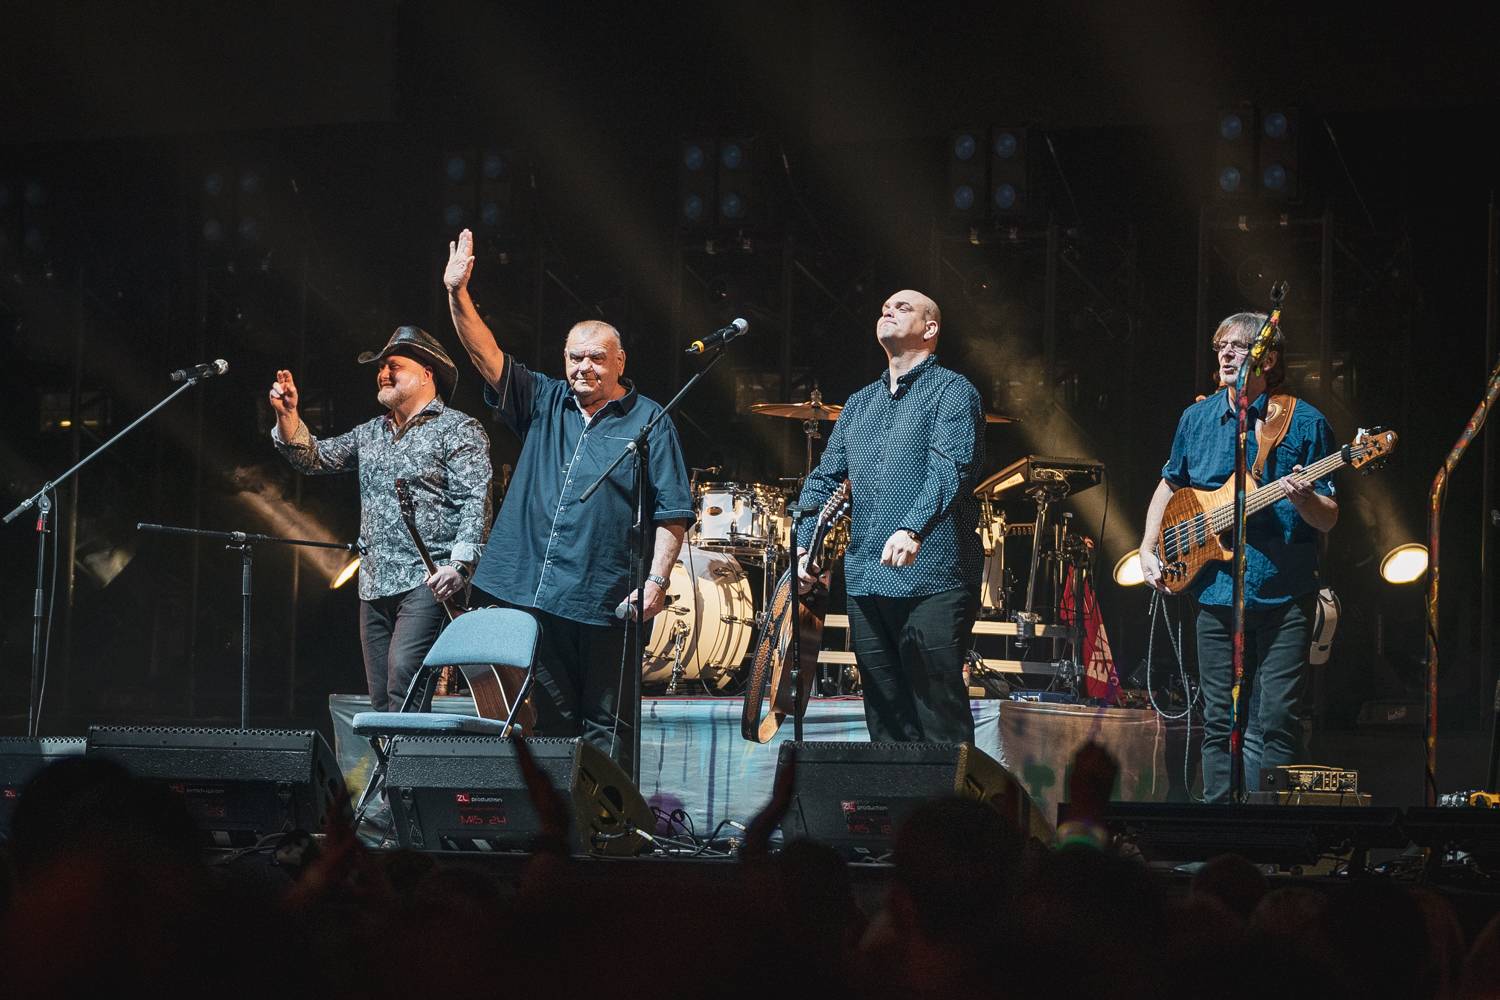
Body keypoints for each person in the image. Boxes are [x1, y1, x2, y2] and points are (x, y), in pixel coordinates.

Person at [444, 229, 693, 776]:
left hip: (605, 597)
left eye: (596, 359)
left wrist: (655, 582)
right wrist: (457, 294)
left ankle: (610, 830)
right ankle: (564, 830)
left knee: (607, 723)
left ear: (619, 361)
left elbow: (673, 511)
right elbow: (485, 355)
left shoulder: (649, 419)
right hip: (534, 589)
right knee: (551, 719)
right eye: (574, 358)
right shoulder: (544, 400)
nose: (583, 368)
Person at [1138, 312, 1338, 803]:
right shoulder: (1198, 418)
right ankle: (1214, 827)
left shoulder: (1306, 423)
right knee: (1217, 719)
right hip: (1214, 589)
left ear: (1268, 358)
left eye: (1238, 347)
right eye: (1220, 346)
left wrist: (1302, 498)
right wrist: (1147, 546)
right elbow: (1172, 481)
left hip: (1284, 592)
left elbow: (1329, 516)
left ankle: (1271, 829)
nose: (1225, 354)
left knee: (1275, 720)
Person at [795, 290, 985, 744]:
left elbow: (951, 467)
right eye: (884, 307)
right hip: (865, 578)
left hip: (935, 576)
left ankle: (953, 814)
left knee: (936, 709)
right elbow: (825, 479)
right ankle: (901, 813)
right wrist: (805, 543)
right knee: (884, 714)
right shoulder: (860, 403)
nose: (888, 310)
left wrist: (911, 526)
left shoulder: (954, 391)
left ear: (930, 328)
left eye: (902, 308)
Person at [269, 326, 492, 711]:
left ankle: (411, 770)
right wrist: (289, 416)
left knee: (403, 677)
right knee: (380, 695)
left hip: (428, 578)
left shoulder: (458, 428)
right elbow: (314, 458)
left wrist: (460, 565)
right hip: (374, 583)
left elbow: (476, 500)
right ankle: (392, 770)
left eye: (394, 365)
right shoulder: (371, 432)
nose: (383, 373)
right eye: (381, 367)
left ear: (427, 372)